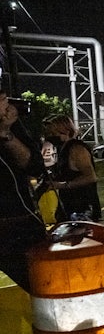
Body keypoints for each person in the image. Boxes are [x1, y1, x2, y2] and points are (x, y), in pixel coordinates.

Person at [0, 87, 47, 292]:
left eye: (4, 99)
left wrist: (5, 133)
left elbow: (34, 166)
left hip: (19, 223)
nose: (7, 106)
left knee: (42, 284)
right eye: (2, 101)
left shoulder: (12, 127)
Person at [43, 114, 102, 221]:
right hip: (69, 207)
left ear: (65, 131)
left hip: (83, 210)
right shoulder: (62, 149)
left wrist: (62, 185)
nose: (50, 136)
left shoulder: (76, 149)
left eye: (53, 133)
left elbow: (90, 177)